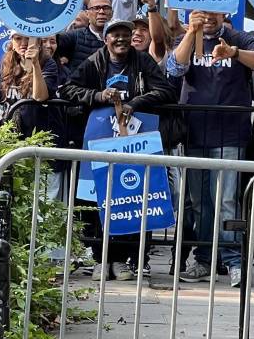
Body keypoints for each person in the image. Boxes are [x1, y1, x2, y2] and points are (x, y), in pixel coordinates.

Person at [59, 18, 174, 281]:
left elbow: (167, 90)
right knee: (97, 199)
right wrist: (98, 96)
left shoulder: (142, 61)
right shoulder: (94, 61)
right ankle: (101, 259)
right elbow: (68, 89)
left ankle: (122, 260)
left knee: (131, 199)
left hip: (135, 141)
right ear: (106, 39)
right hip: (98, 142)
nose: (120, 39)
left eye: (125, 34)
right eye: (115, 35)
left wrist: (137, 101)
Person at [167, 9, 254, 288]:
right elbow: (174, 68)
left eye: (213, 12)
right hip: (195, 135)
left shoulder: (239, 37)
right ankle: (203, 259)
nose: (208, 17)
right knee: (200, 203)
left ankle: (234, 261)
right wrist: (191, 32)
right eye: (201, 11)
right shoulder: (185, 38)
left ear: (224, 10)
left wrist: (234, 53)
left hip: (230, 136)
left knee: (226, 202)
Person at [0, 34, 59, 134]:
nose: (23, 43)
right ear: (12, 43)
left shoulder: (48, 63)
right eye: (18, 39)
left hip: (38, 133)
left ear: (38, 42)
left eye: (28, 38)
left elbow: (40, 97)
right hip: (10, 131)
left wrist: (35, 63)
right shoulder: (6, 62)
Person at [56, 0, 112, 79]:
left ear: (112, 12)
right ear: (87, 14)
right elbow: (48, 47)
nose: (101, 12)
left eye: (106, 8)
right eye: (96, 8)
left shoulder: (120, 40)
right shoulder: (74, 36)